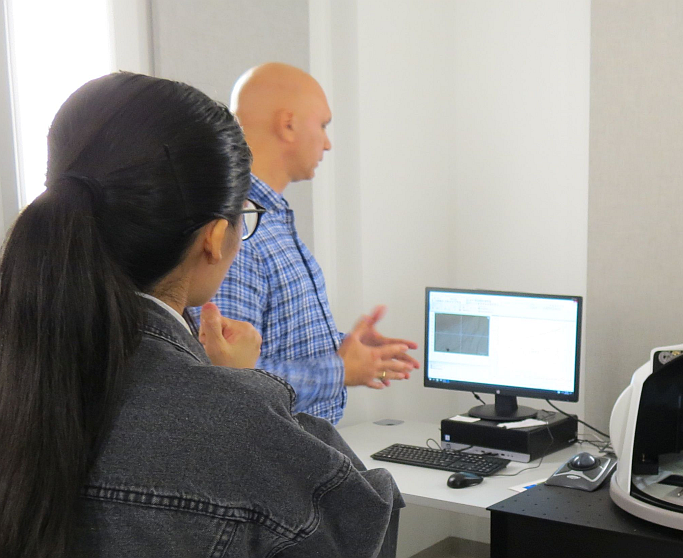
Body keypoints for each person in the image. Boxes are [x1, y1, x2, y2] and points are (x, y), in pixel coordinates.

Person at [0, 72, 402, 558]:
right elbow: (364, 529)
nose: (330, 142)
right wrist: (242, 392)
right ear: (214, 238)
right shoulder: (233, 425)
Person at [194, 62, 418, 424]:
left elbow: (273, 342)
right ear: (288, 124)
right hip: (275, 465)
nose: (328, 143)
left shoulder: (270, 217)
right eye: (323, 125)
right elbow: (227, 376)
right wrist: (339, 369)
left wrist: (344, 349)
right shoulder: (240, 230)